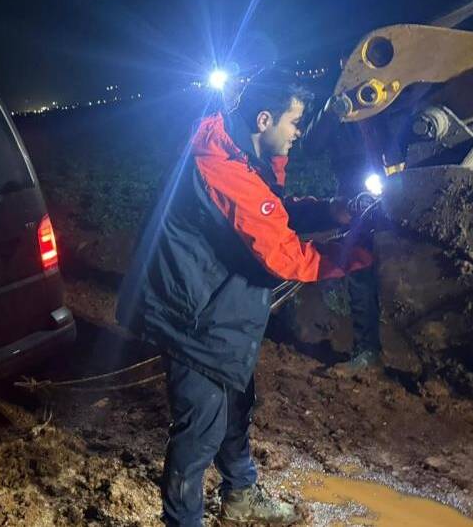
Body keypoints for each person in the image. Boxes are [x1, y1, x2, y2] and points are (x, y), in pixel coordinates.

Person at [116, 70, 373, 526]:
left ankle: (240, 495)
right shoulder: (220, 166)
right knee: (198, 434)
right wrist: (357, 256)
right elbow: (286, 256)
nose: (298, 133)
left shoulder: (240, 154)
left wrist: (327, 209)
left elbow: (267, 210)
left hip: (220, 309)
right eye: (294, 123)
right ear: (263, 119)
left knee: (236, 408)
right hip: (193, 319)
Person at [300, 93, 384, 372]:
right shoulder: (338, 99)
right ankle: (368, 349)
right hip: (355, 194)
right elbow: (310, 145)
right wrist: (334, 108)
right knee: (361, 265)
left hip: (396, 182)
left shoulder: (394, 88)